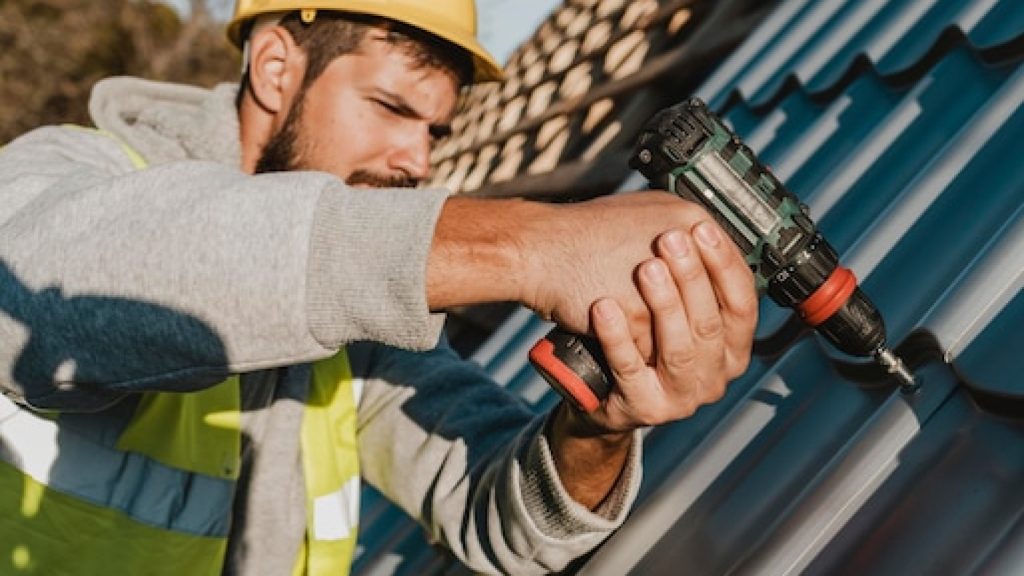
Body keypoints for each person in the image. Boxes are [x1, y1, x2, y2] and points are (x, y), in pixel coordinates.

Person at [0, 1, 758, 574]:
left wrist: (600, 427)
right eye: (393, 108)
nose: (417, 163)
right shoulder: (67, 174)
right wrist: (532, 244)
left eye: (435, 131)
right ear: (275, 69)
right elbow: (44, 293)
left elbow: (505, 519)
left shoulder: (358, 324)